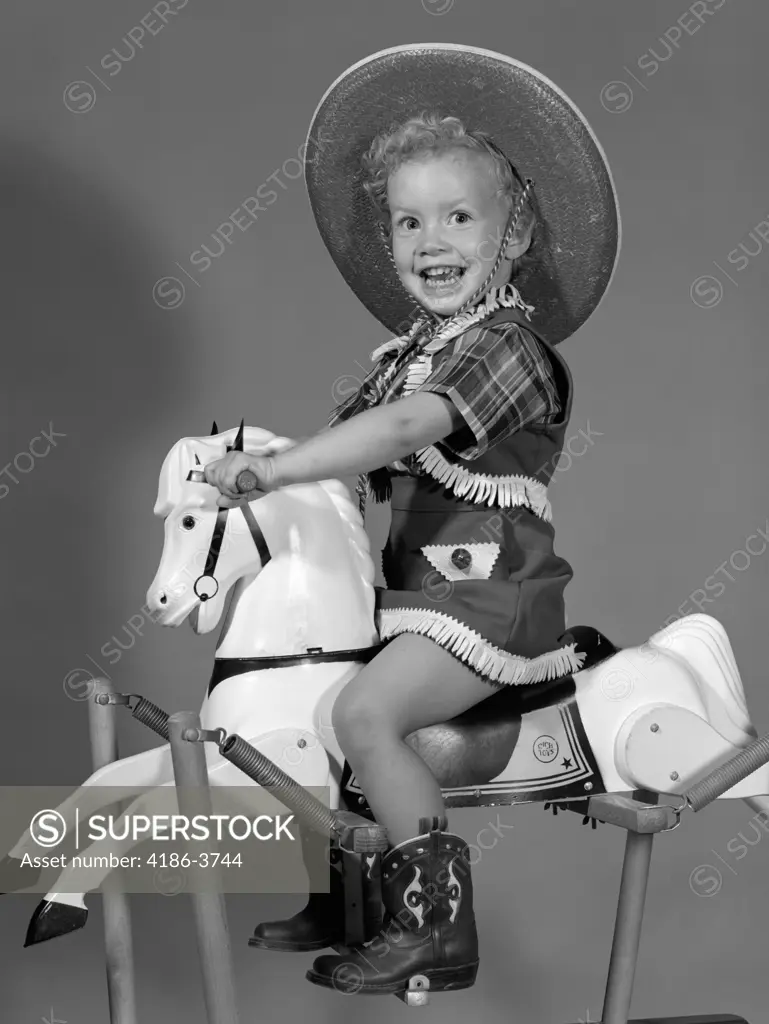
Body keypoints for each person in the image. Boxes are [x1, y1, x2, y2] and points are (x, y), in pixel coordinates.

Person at [204, 43, 619, 997]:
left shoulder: (506, 350)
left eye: (458, 217)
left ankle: (437, 926)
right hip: (413, 596)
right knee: (314, 687)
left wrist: (272, 467)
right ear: (388, 244)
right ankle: (352, 890)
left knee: (360, 712)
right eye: (408, 221)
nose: (431, 240)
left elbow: (401, 430)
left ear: (511, 236)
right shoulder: (404, 354)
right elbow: (350, 451)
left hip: (487, 599)